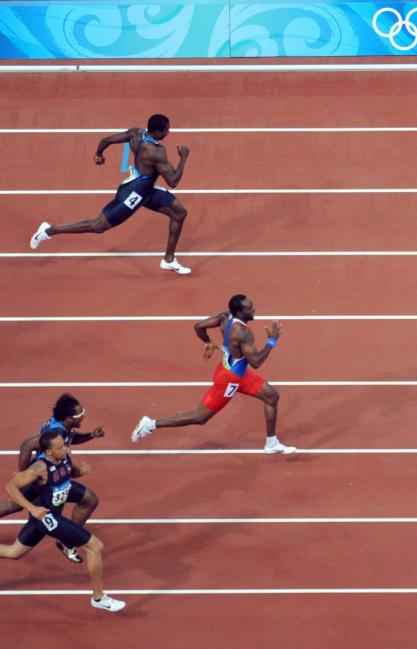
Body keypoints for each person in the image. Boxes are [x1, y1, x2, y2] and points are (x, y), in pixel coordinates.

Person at [29, 113, 192, 275]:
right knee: (98, 226)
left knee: (179, 213)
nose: (168, 132)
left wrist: (99, 154)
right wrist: (183, 157)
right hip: (134, 194)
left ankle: (168, 260)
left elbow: (105, 140)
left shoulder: (136, 133)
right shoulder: (156, 152)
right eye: (166, 130)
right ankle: (48, 231)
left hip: (146, 188)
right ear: (157, 133)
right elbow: (173, 181)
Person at [131, 294, 296, 454]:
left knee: (272, 396)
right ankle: (150, 424)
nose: (254, 310)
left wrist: (208, 342)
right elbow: (256, 362)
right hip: (229, 381)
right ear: (239, 313)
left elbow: (199, 326)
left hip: (232, 371)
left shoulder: (225, 317)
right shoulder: (243, 333)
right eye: (250, 308)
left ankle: (271, 443)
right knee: (200, 417)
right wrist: (271, 341)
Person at [0, 431, 125, 612]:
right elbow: (10, 486)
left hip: (44, 517)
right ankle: (99, 598)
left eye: (64, 444)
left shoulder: (64, 457)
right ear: (49, 452)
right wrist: (32, 508)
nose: (65, 448)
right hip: (47, 518)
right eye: (60, 447)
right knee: (95, 546)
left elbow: (69, 472)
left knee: (14, 552)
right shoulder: (39, 468)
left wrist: (80, 472)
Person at [0, 394, 103, 564]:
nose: (84, 415)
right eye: (80, 414)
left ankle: (67, 542)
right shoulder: (55, 432)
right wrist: (23, 473)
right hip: (41, 478)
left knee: (90, 499)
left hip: (58, 478)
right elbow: (27, 445)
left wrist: (90, 435)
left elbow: (71, 438)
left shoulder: (64, 427)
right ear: (69, 418)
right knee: (14, 504)